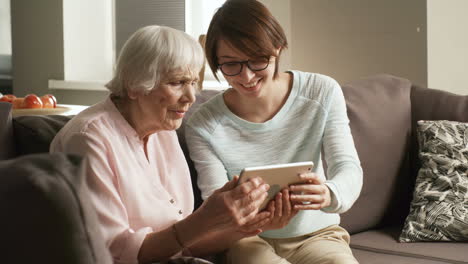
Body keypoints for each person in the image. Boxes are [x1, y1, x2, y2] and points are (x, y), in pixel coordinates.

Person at [50, 25, 273, 264]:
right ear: (135, 85)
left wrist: (251, 224)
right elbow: (114, 252)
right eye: (177, 82)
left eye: (193, 82)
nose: (190, 97)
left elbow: (182, 245)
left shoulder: (163, 128)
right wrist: (205, 218)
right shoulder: (88, 139)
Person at [185, 1, 363, 263]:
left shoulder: (321, 91)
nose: (246, 77)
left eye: (257, 61)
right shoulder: (203, 124)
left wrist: (329, 193)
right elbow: (215, 203)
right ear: (216, 62)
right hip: (245, 239)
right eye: (231, 65)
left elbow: (347, 166)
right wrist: (256, 219)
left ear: (277, 49)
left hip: (317, 235)